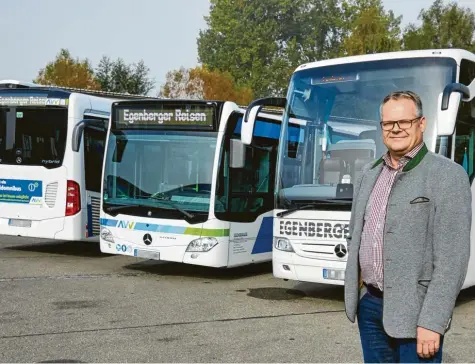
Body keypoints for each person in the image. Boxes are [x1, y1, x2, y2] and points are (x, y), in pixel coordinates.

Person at [344, 90, 472, 363]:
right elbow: (358, 232)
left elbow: (452, 259)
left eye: (404, 121)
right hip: (371, 307)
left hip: (418, 312)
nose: (396, 129)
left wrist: (433, 321)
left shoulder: (448, 176)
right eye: (388, 123)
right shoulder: (369, 174)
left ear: (421, 123)